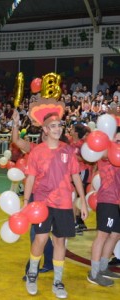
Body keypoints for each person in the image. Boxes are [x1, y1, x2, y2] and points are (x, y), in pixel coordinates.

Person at [22, 99, 88, 298]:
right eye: (53, 126)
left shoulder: (68, 150)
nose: (58, 128)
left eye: (59, 125)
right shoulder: (37, 152)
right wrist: (26, 203)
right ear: (45, 129)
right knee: (40, 239)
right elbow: (31, 178)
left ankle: (58, 282)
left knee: (60, 242)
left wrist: (83, 201)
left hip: (64, 203)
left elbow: (76, 176)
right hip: (42, 203)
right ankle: (32, 274)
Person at [11, 109, 54, 278]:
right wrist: (15, 122)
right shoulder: (34, 149)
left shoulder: (59, 151)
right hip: (35, 198)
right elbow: (15, 140)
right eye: (43, 132)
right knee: (41, 234)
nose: (44, 135)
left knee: (36, 234)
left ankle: (32, 269)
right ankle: (48, 262)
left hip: (50, 198)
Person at [87, 130, 120, 286]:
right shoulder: (106, 153)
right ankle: (94, 273)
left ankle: (103, 267)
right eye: (117, 141)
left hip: (117, 201)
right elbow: (106, 154)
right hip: (108, 200)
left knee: (115, 235)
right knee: (102, 235)